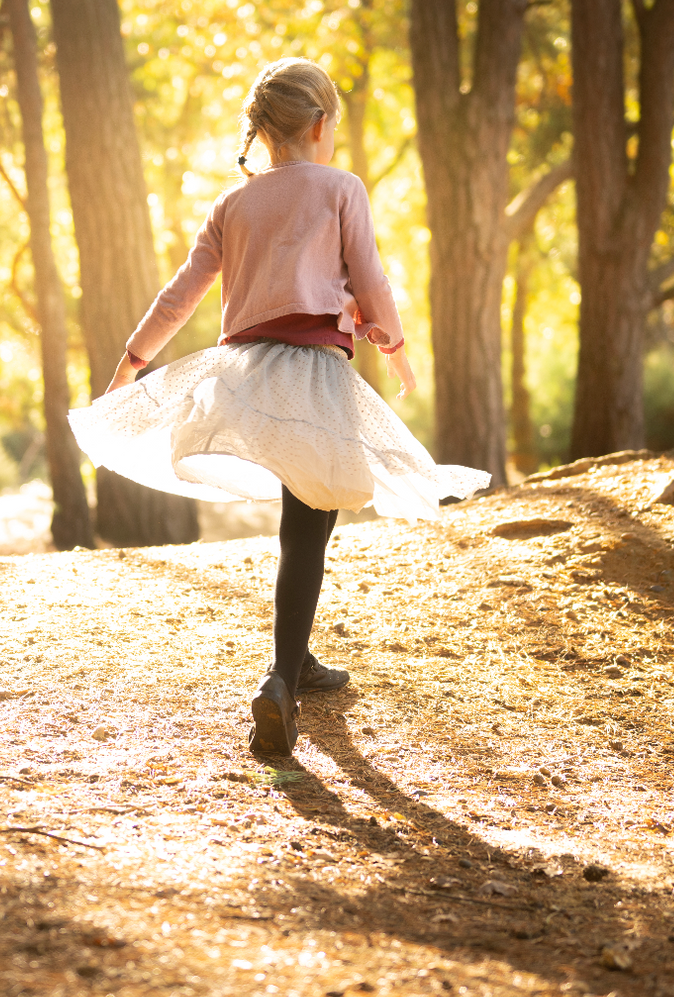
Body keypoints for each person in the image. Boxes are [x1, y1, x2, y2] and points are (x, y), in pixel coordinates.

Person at [68, 57, 488, 755]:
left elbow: (181, 294)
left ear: (264, 131)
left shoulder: (233, 204)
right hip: (313, 375)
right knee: (306, 524)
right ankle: (279, 683)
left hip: (245, 373)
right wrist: (395, 342)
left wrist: (133, 362)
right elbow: (371, 278)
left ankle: (297, 662)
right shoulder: (341, 187)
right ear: (321, 126)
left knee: (311, 519)